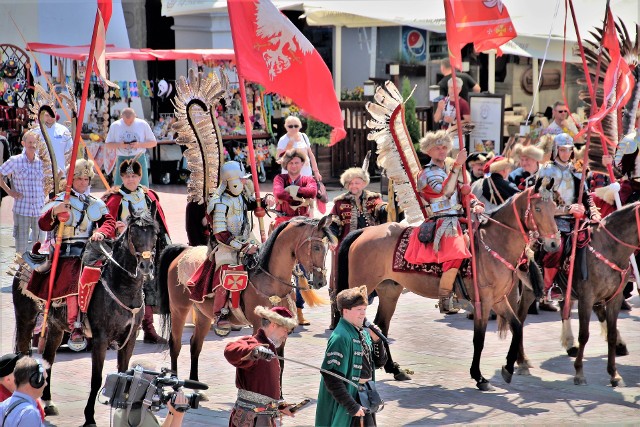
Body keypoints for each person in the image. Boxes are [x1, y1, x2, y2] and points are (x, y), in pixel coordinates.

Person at [26, 159, 116, 349]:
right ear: (71, 180)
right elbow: (43, 224)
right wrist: (54, 212)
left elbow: (109, 222)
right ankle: (75, 324)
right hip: (68, 252)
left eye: (86, 179)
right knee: (75, 280)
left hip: (91, 250)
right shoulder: (60, 200)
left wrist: (101, 232)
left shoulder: (95, 202)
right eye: (79, 179)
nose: (83, 183)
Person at [403, 131, 484, 314]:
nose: (442, 151)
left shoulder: (449, 170)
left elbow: (462, 194)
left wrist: (474, 203)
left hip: (460, 216)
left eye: (444, 147)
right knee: (456, 253)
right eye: (437, 148)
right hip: (443, 220)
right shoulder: (426, 174)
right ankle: (445, 299)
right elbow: (445, 192)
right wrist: (457, 165)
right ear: (428, 151)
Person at [103, 159, 171, 344]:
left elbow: (159, 224)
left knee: (148, 288)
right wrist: (115, 228)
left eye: (134, 176)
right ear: (122, 177)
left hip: (147, 250)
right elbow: (105, 223)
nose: (131, 179)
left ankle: (149, 329)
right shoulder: (115, 198)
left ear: (140, 177)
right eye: (127, 176)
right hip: (122, 251)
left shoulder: (149, 196)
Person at [189, 161, 260, 331]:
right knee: (226, 273)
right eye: (241, 180)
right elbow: (221, 234)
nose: (244, 182)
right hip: (226, 246)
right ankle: (221, 312)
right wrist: (242, 248)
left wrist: (264, 201)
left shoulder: (241, 194)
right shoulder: (219, 202)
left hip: (247, 239)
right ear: (232, 181)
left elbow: (251, 204)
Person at [538, 133, 600, 311]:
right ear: (556, 150)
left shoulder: (576, 170)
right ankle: (548, 287)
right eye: (562, 150)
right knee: (556, 248)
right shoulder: (547, 170)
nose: (565, 154)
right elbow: (543, 202)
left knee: (594, 243)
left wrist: (594, 212)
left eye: (569, 150)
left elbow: (586, 196)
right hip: (552, 220)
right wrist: (567, 209)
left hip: (577, 220)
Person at [316, 286, 387, 427]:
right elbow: (331, 378)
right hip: (352, 399)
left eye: (364, 309)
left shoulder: (363, 333)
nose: (363, 314)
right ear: (346, 311)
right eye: (358, 310)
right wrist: (352, 406)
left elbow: (379, 363)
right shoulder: (340, 337)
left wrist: (377, 340)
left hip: (365, 394)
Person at [328, 166, 387, 329]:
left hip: (370, 249)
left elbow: (382, 211)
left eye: (357, 182)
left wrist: (387, 208)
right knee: (346, 282)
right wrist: (332, 238)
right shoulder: (340, 202)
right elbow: (333, 222)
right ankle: (343, 317)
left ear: (364, 183)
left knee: (371, 281)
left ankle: (360, 313)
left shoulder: (374, 198)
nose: (354, 186)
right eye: (351, 183)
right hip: (347, 249)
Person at [224, 305, 297, 427]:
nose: (286, 336)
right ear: (273, 325)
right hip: (249, 419)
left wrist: (279, 406)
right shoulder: (253, 342)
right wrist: (254, 351)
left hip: (264, 418)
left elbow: (263, 391)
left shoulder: (270, 348)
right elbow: (229, 351)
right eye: (285, 330)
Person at [272, 148, 317, 325]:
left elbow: (312, 192)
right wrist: (299, 193)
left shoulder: (308, 179)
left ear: (302, 164)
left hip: (302, 229)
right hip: (282, 227)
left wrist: (291, 191)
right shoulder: (279, 178)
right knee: (277, 268)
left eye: (297, 162)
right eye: (291, 162)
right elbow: (278, 193)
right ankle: (278, 308)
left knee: (303, 271)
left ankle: (299, 311)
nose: (294, 165)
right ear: (286, 164)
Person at [0, 130, 46, 255]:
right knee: (21, 248)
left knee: (40, 247)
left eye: (34, 142)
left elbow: (49, 180)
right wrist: (10, 192)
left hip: (39, 210)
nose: (32, 145)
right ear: (23, 143)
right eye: (29, 142)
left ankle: (35, 273)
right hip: (22, 209)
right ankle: (21, 272)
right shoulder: (15, 160)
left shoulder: (42, 163)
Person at [105, 108, 157, 186]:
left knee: (143, 187)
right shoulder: (115, 125)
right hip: (122, 158)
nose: (129, 124)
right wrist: (119, 145)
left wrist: (139, 144)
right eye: (126, 122)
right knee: (118, 187)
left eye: (131, 121)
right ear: (121, 117)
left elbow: (153, 143)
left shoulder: (142, 124)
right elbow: (107, 145)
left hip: (139, 158)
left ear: (135, 116)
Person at [0, 357, 47, 427]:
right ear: (35, 382)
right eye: (43, 380)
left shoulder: (3, 405)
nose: (46, 384)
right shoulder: (29, 413)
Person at [276, 116, 322, 181]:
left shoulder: (304, 136)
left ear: (300, 126)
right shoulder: (283, 139)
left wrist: (316, 172)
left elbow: (311, 155)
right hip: (290, 176)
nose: (293, 128)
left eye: (296, 126)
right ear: (286, 127)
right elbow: (278, 158)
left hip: (306, 173)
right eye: (290, 126)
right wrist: (290, 143)